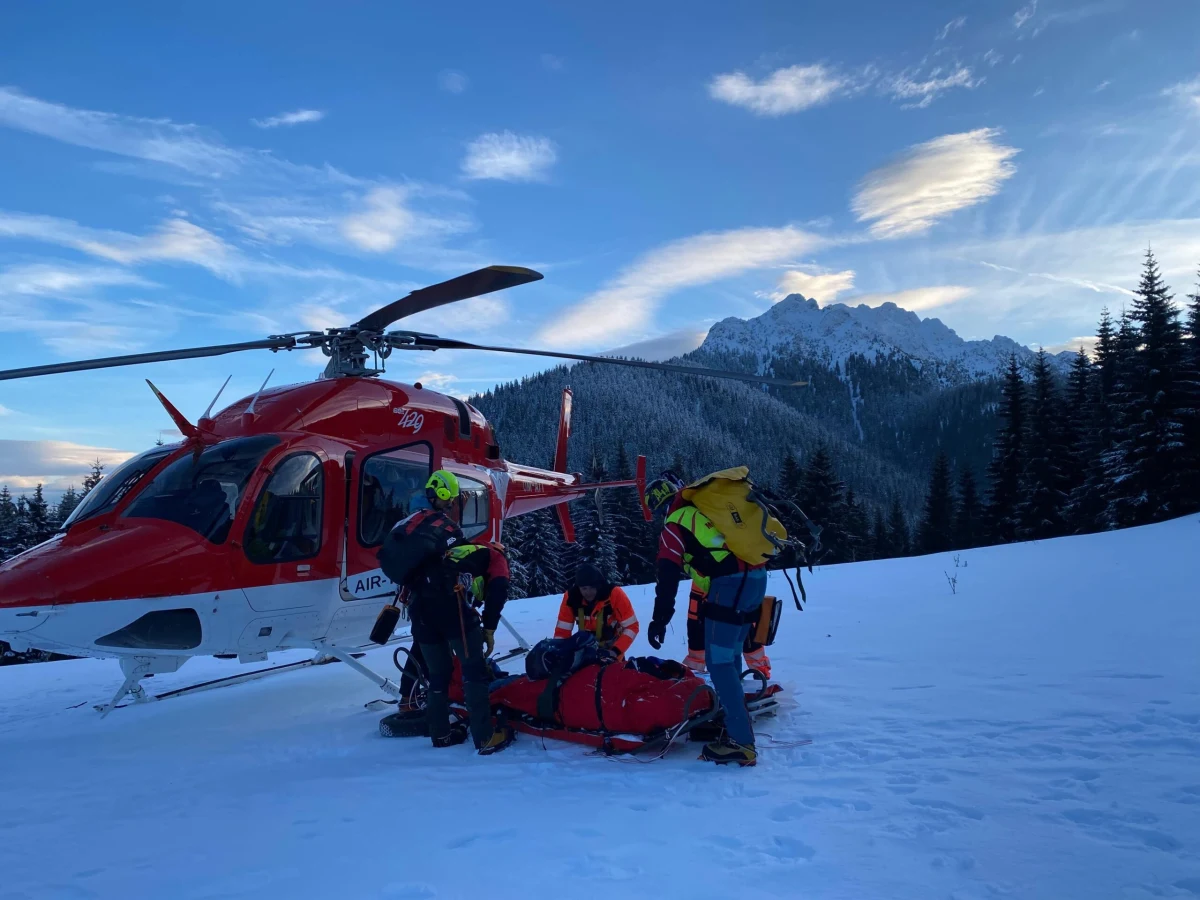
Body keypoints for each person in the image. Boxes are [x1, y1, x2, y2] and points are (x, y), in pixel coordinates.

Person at [378, 469, 515, 756]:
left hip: (419, 611)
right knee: (473, 671)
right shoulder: (490, 555)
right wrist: (489, 628)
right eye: (452, 500)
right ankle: (485, 738)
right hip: (451, 610)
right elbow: (497, 590)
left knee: (438, 675)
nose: (453, 505)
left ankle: (440, 735)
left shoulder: (414, 525)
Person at [645, 472, 768, 767]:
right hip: (756, 578)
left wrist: (660, 619)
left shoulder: (675, 524)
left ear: (658, 507)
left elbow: (667, 575)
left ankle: (741, 742)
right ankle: (733, 722)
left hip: (729, 586)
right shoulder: (704, 510)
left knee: (719, 662)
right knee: (731, 655)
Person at [683, 580, 772, 679]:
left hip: (734, 583)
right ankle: (693, 673)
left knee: (746, 625)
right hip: (706, 586)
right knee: (698, 630)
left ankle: (760, 671)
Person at [553, 563, 640, 660]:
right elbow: (562, 632)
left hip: (611, 654)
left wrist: (615, 651)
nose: (588, 592)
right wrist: (559, 653)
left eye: (592, 587)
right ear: (578, 588)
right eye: (584, 588)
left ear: (599, 585)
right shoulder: (571, 598)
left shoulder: (614, 594)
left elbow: (632, 626)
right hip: (583, 654)